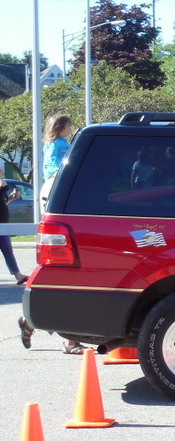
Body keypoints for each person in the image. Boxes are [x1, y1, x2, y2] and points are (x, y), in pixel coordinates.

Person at [19, 112, 85, 355]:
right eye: (68, 125)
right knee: (68, 281)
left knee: (59, 279)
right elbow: (65, 167)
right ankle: (67, 339)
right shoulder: (62, 146)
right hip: (59, 195)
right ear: (62, 127)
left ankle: (32, 322)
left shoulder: (49, 146)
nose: (70, 128)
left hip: (52, 195)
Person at [0, 177, 28, 285]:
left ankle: (18, 275)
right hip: (1, 225)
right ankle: (18, 275)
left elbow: (3, 203)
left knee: (7, 250)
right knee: (7, 250)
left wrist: (11, 198)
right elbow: (4, 184)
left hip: (3, 225)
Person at [43, 113, 72, 181]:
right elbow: (52, 158)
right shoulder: (54, 143)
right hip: (54, 172)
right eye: (68, 126)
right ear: (60, 128)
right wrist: (64, 167)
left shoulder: (63, 142)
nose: (70, 128)